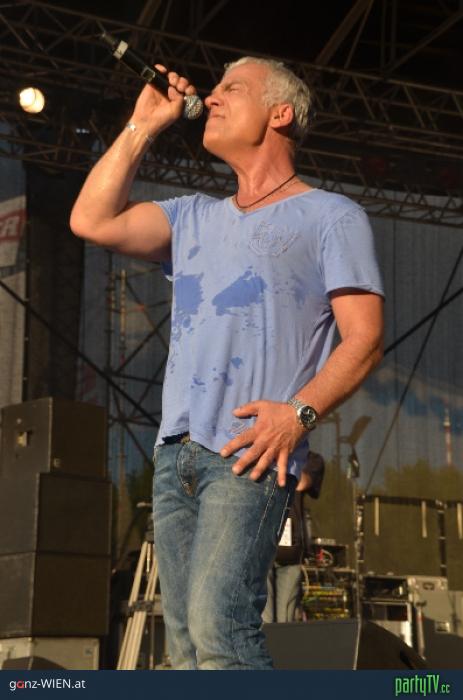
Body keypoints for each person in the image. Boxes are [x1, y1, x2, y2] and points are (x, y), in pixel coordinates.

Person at [70, 55, 384, 670]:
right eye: (212, 90)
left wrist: (297, 416)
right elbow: (91, 220)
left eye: (232, 89)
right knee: (186, 645)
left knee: (221, 630)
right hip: (176, 452)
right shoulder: (193, 216)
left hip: (250, 451)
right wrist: (142, 125)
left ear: (280, 113)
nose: (211, 98)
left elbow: (365, 339)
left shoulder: (331, 216)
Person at [262, 451, 324, 624]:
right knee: (265, 618)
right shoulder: (264, 450)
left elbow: (302, 482)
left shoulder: (311, 459)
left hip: (290, 552)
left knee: (285, 619)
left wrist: (284, 457)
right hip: (263, 547)